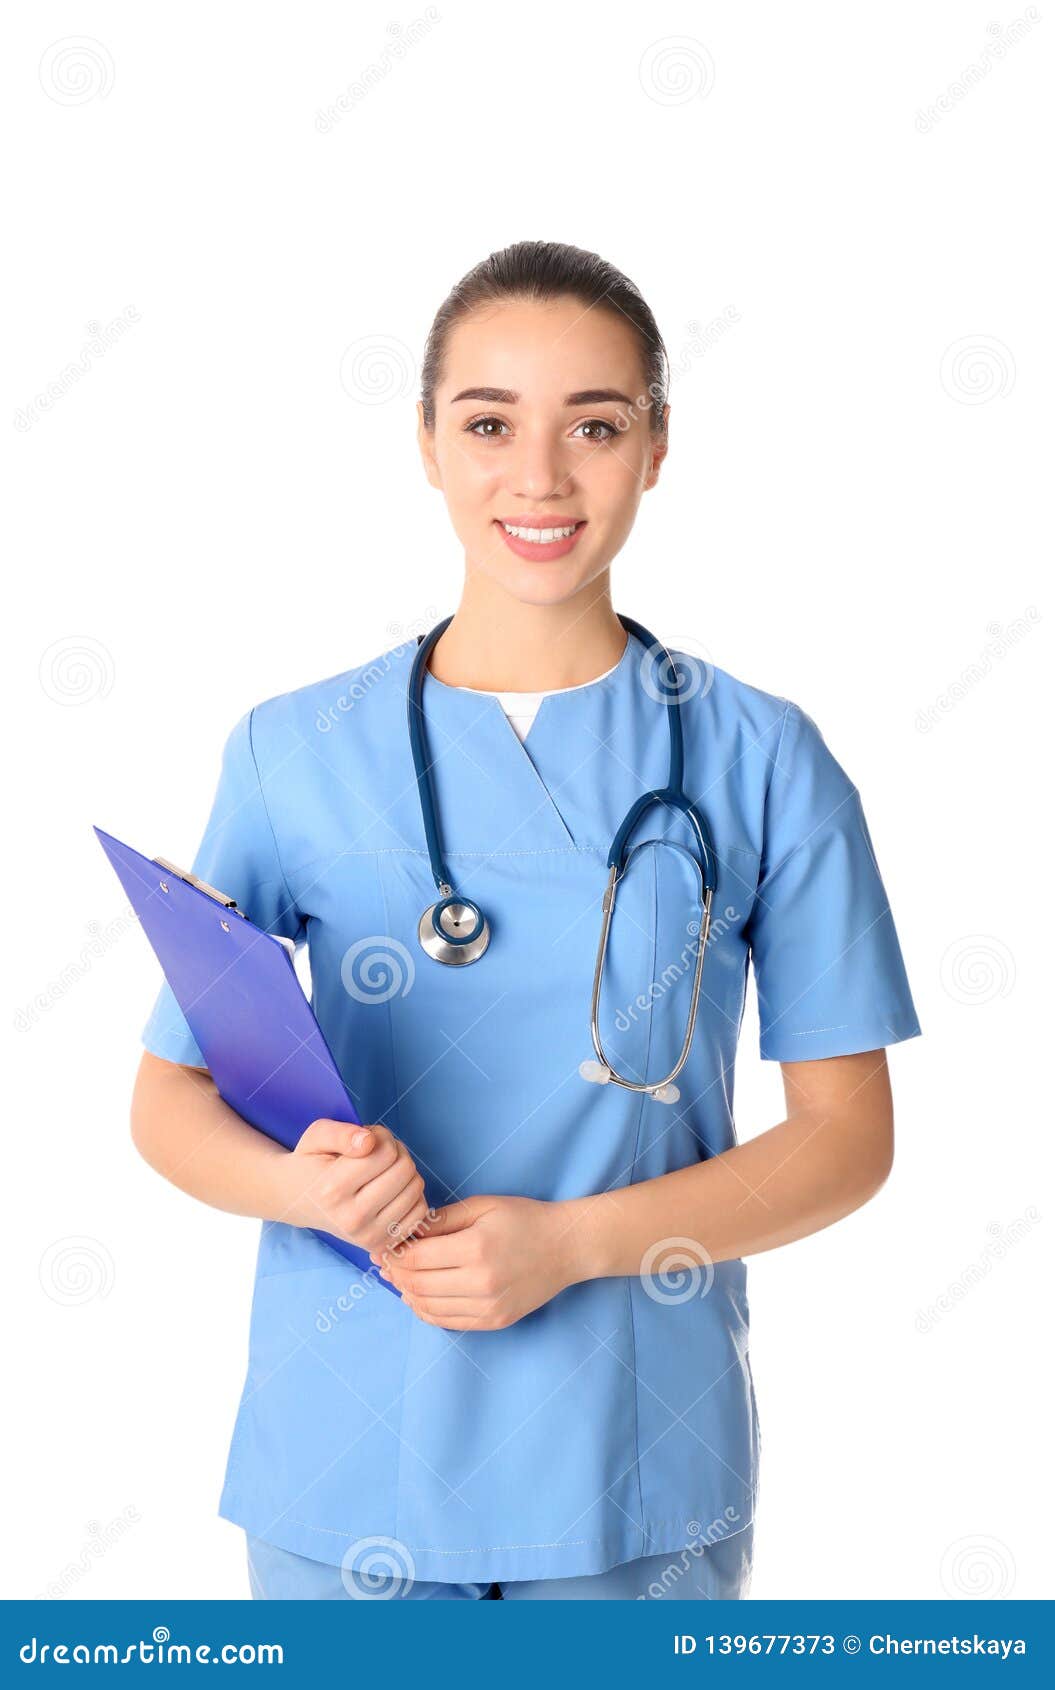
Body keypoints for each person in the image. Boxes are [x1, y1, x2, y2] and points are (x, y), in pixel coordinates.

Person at [130, 240, 921, 1601]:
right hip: (347, 1457)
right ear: (428, 444)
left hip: (629, 1464)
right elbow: (167, 1100)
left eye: (595, 425)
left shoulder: (763, 757)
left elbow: (849, 1141)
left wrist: (570, 1242)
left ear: (658, 446)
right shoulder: (290, 750)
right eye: (489, 422)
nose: (540, 476)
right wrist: (296, 1184)